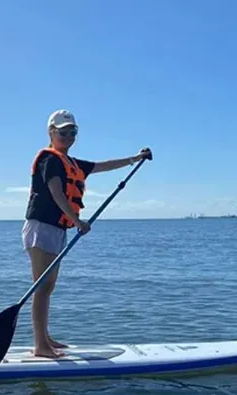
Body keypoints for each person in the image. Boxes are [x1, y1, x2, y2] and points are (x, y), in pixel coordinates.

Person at [22, 109, 152, 359]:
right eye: (63, 132)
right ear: (51, 133)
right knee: (41, 287)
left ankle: (46, 337)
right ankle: (40, 346)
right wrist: (77, 221)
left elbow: (102, 166)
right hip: (41, 228)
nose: (68, 136)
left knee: (48, 287)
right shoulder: (50, 160)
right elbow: (56, 192)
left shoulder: (69, 162)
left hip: (56, 229)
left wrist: (135, 159)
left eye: (73, 132)